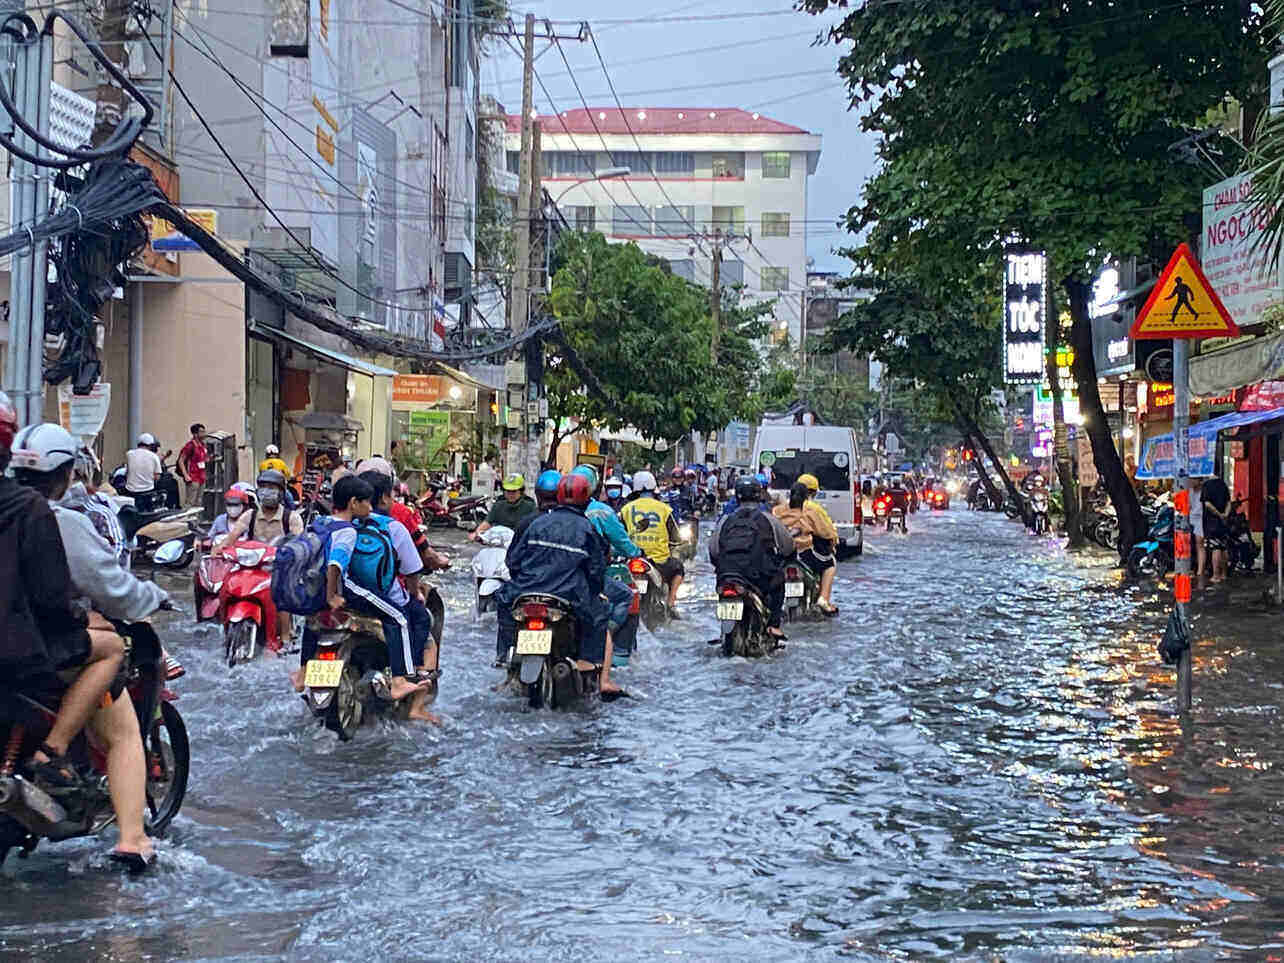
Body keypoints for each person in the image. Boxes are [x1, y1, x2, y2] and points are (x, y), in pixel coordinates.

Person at [9, 421, 157, 867]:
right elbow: (107, 588)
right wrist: (153, 597)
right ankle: (132, 838)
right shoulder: (55, 520)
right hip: (36, 646)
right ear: (67, 474)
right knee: (122, 724)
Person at [293, 474, 437, 719]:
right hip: (352, 591)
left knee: (314, 618)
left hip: (319, 590)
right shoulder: (366, 529)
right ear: (355, 502)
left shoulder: (322, 522)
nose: (369, 507)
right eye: (366, 502)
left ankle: (303, 670)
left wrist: (325, 595)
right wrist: (332, 595)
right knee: (403, 618)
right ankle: (403, 682)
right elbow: (337, 564)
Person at [498, 472, 621, 697]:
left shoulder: (536, 523)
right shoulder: (587, 529)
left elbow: (513, 561)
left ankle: (505, 654)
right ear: (586, 499)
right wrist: (594, 591)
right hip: (568, 594)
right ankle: (589, 663)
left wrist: (523, 581)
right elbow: (596, 571)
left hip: (526, 590)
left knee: (502, 601)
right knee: (600, 613)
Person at [710, 475, 795, 639]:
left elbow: (713, 550)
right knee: (779, 581)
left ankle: (724, 634)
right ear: (759, 494)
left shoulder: (725, 520)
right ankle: (773, 626)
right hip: (758, 577)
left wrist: (721, 568)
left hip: (727, 576)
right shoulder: (769, 519)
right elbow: (788, 546)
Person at [620, 470, 684, 618]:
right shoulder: (664, 509)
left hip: (632, 559)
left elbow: (619, 534)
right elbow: (676, 538)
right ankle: (671, 603)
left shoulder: (626, 509)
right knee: (679, 569)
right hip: (659, 561)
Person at [773, 481, 840, 616]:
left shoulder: (777, 511)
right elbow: (826, 533)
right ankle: (823, 599)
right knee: (830, 564)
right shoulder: (811, 511)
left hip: (780, 556)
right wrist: (833, 542)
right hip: (804, 555)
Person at [470, 473, 535, 541]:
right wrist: (477, 533)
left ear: (521, 491)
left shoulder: (530, 506)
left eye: (514, 491)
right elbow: (487, 523)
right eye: (508, 491)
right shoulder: (498, 505)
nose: (510, 494)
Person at [1201, 473, 1232, 583]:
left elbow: (1207, 504)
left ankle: (1216, 575)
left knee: (1216, 548)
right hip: (1223, 521)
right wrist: (1225, 515)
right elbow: (1229, 502)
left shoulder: (1207, 485)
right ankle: (1224, 574)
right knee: (1223, 547)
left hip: (1212, 521)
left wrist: (1218, 514)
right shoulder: (1223, 484)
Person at [124, 432, 163, 509]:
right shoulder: (154, 456)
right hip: (147, 492)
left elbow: (127, 472)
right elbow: (157, 477)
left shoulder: (129, 454)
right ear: (150, 445)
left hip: (130, 491)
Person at [176, 423, 207, 508]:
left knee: (199, 502)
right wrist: (186, 475)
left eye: (204, 431)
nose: (204, 434)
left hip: (202, 478)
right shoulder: (190, 446)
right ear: (195, 434)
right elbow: (181, 460)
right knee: (190, 502)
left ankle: (196, 517)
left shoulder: (203, 445)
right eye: (201, 432)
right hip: (193, 478)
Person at [1191, 477, 1206, 578]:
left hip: (1200, 519)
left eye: (1193, 479)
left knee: (1199, 544)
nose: (1191, 481)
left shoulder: (1204, 491)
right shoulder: (1189, 491)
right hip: (1190, 518)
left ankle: (1200, 571)